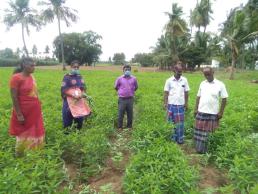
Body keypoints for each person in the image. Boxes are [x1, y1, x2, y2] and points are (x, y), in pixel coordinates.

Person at [9, 57, 45, 156]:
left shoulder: (31, 77)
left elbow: (35, 94)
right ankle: (20, 155)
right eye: (32, 65)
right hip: (23, 111)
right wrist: (19, 114)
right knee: (23, 133)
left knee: (35, 131)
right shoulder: (16, 78)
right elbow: (14, 97)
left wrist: (39, 105)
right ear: (24, 65)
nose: (34, 67)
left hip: (35, 111)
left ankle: (34, 154)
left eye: (34, 65)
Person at [194, 67, 228, 153]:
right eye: (205, 75)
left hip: (212, 113)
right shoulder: (202, 83)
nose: (207, 76)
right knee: (199, 132)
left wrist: (221, 112)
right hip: (201, 111)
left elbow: (224, 99)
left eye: (208, 74)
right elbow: (198, 97)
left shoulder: (220, 84)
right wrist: (196, 109)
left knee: (209, 133)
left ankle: (208, 151)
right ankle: (199, 149)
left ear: (213, 72)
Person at [164, 61, 190, 144]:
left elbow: (186, 92)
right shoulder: (169, 80)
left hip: (180, 105)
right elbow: (166, 92)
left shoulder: (184, 80)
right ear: (174, 71)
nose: (180, 73)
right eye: (178, 72)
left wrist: (186, 103)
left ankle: (180, 139)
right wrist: (165, 103)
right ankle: (172, 139)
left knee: (180, 123)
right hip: (171, 104)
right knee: (170, 122)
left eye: (181, 72)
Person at [61, 60, 90, 130]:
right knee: (67, 120)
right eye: (74, 67)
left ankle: (78, 133)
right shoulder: (66, 77)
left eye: (77, 67)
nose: (76, 68)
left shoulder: (80, 77)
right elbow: (64, 89)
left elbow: (83, 88)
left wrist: (83, 94)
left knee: (79, 120)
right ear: (71, 67)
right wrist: (73, 95)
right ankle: (67, 135)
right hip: (69, 102)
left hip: (79, 102)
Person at [114, 64, 138, 131]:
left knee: (130, 113)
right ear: (123, 70)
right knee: (120, 113)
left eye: (128, 70)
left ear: (130, 70)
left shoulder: (134, 78)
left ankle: (129, 126)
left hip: (130, 99)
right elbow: (116, 87)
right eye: (126, 70)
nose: (127, 71)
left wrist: (131, 92)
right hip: (122, 99)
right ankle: (120, 127)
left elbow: (136, 87)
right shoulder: (119, 78)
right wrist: (121, 91)